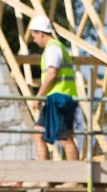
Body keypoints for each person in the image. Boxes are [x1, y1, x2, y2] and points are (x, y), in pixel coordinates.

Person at [28, 14, 80, 161]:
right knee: (38, 134)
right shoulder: (55, 48)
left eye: (34, 35)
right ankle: (44, 176)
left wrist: (38, 96)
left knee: (64, 137)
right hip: (56, 99)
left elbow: (51, 74)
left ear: (41, 33)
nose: (34, 39)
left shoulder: (53, 49)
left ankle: (75, 178)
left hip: (60, 99)